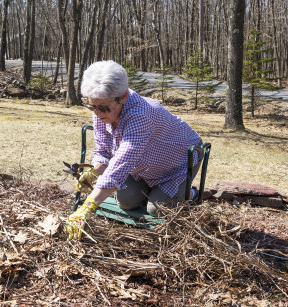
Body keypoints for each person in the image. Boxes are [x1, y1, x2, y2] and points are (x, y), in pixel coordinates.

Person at [65, 60, 204, 240]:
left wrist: (87, 208)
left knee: (157, 210)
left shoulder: (141, 115)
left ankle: (192, 193)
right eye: (93, 106)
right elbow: (104, 152)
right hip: (143, 164)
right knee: (126, 201)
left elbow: (120, 166)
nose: (97, 113)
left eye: (103, 108)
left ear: (123, 97)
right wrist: (93, 172)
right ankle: (152, 192)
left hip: (178, 162)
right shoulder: (102, 110)